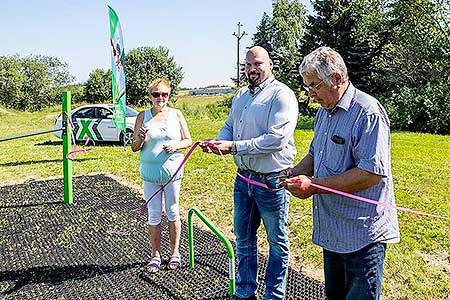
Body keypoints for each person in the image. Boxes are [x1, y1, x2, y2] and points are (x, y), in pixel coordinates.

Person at [282, 46, 400, 300]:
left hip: (362, 236)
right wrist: (294, 172)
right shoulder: (325, 113)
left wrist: (314, 186)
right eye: (307, 87)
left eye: (314, 86)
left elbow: (371, 173)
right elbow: (315, 154)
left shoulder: (368, 112)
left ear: (336, 78)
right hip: (333, 233)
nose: (310, 94)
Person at [201, 46, 299, 300]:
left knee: (277, 242)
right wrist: (218, 142)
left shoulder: (282, 95)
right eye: (248, 65)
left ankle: (274, 295)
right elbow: (229, 126)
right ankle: (245, 291)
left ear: (270, 65)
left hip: (272, 181)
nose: (253, 69)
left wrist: (232, 146)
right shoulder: (241, 95)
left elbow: (275, 140)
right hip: (243, 179)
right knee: (243, 238)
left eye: (258, 64)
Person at [131, 78, 192, 273]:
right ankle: (155, 255)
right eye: (156, 94)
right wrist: (139, 139)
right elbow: (134, 147)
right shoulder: (142, 116)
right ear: (150, 96)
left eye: (164, 94)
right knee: (154, 213)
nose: (160, 98)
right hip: (150, 174)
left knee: (173, 212)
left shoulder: (176, 114)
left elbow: (188, 139)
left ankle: (175, 253)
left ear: (169, 95)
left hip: (172, 173)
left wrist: (176, 145)